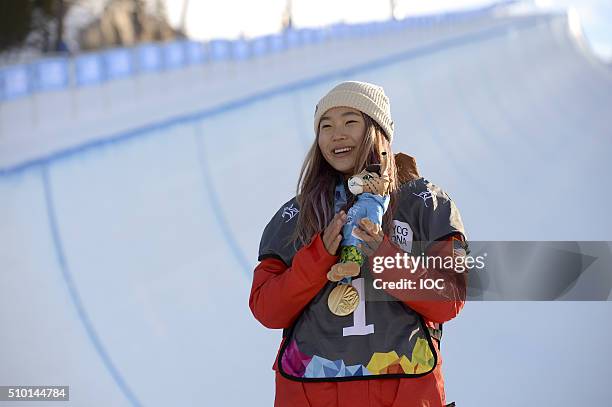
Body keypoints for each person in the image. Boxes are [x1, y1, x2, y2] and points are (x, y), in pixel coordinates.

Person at [249, 81, 468, 407]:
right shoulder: (295, 215)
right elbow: (266, 308)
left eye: (350, 121)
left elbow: (450, 298)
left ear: (378, 130)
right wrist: (319, 255)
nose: (336, 134)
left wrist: (383, 253)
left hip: (404, 390)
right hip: (310, 392)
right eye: (326, 126)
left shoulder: (427, 202)